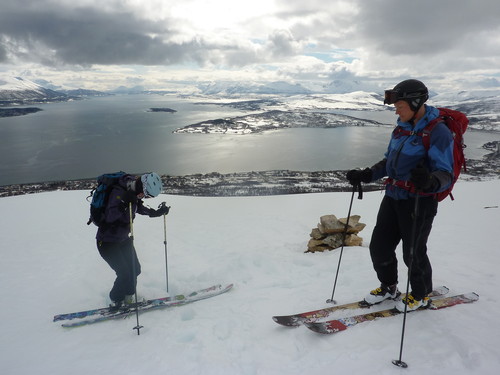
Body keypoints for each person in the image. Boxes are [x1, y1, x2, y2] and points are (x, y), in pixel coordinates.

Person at [346, 79, 454, 312]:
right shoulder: (401, 127)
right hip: (394, 196)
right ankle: (389, 287)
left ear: (416, 103)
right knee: (379, 247)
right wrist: (367, 175)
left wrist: (429, 181)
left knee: (413, 253)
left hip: (419, 201)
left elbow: (445, 172)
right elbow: (389, 162)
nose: (396, 109)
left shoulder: (438, 132)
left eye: (400, 105)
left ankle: (421, 294)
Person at [96, 172, 170, 309]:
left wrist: (156, 213)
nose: (145, 197)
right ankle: (116, 300)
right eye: (146, 195)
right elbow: (110, 217)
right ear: (142, 187)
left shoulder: (133, 191)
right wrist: (123, 203)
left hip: (123, 239)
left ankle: (129, 297)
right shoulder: (118, 192)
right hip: (107, 242)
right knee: (124, 273)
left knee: (135, 269)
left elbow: (139, 207)